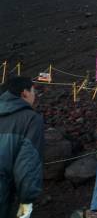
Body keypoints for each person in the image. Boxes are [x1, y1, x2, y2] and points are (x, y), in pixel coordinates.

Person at [0, 77, 44, 218]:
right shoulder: (31, 119)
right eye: (33, 91)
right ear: (25, 93)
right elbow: (27, 164)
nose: (34, 95)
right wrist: (26, 200)